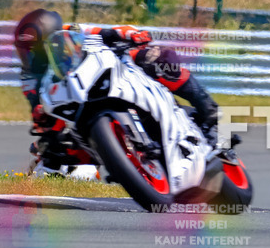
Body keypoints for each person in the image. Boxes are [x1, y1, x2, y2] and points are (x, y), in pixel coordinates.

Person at [13, 9, 220, 167]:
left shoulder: (70, 32)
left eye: (34, 52)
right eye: (24, 53)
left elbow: (104, 32)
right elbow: (38, 110)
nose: (29, 58)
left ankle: (207, 107)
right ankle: (116, 162)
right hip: (75, 109)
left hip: (103, 74)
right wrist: (42, 120)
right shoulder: (29, 77)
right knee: (51, 149)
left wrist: (127, 34)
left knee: (155, 58)